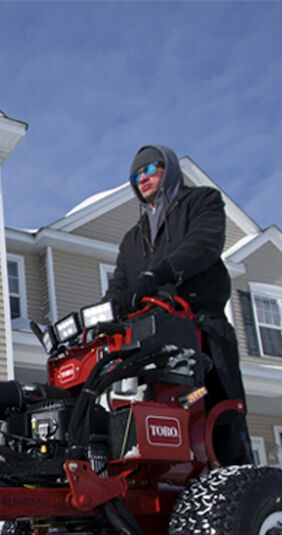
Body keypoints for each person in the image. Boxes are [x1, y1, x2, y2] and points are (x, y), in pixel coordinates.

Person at [102, 144, 254, 466]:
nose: (141, 178)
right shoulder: (133, 237)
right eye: (135, 175)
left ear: (168, 168)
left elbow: (205, 244)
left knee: (218, 408)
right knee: (159, 410)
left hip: (201, 325)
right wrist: (104, 313)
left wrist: (159, 274)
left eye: (149, 169)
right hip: (152, 337)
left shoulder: (201, 201)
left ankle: (235, 476)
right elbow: (119, 285)